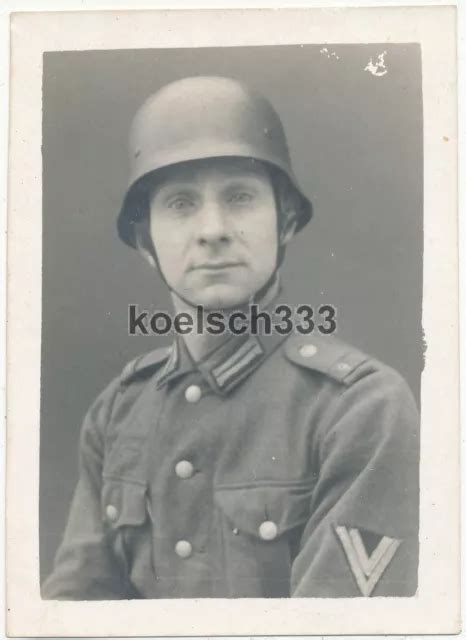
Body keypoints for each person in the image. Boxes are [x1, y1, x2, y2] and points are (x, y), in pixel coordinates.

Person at [42, 76, 419, 599]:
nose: (213, 229)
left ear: (285, 222)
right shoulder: (117, 414)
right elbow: (70, 615)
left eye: (240, 197)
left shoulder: (359, 409)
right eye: (180, 204)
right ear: (144, 241)